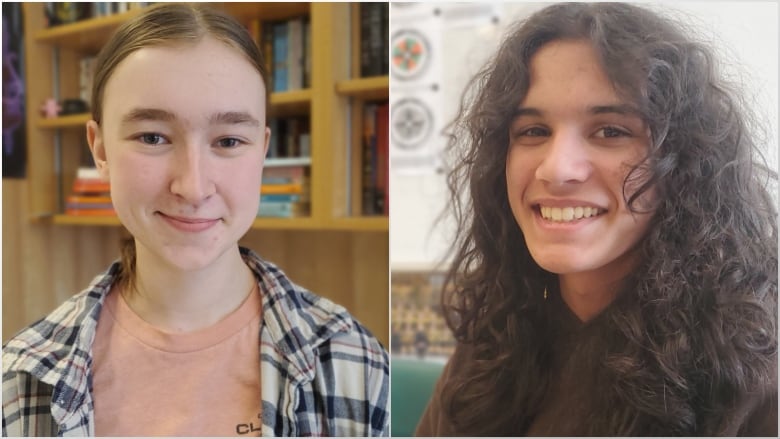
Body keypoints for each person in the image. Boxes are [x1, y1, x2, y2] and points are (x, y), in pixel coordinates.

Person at [2, 4, 389, 436]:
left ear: (262, 151)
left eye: (228, 140)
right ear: (100, 149)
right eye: (152, 137)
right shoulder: (20, 378)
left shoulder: (356, 364)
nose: (193, 185)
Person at [416, 2, 777, 436]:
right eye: (533, 131)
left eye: (610, 131)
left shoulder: (756, 366)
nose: (556, 169)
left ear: (685, 161)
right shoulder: (493, 345)